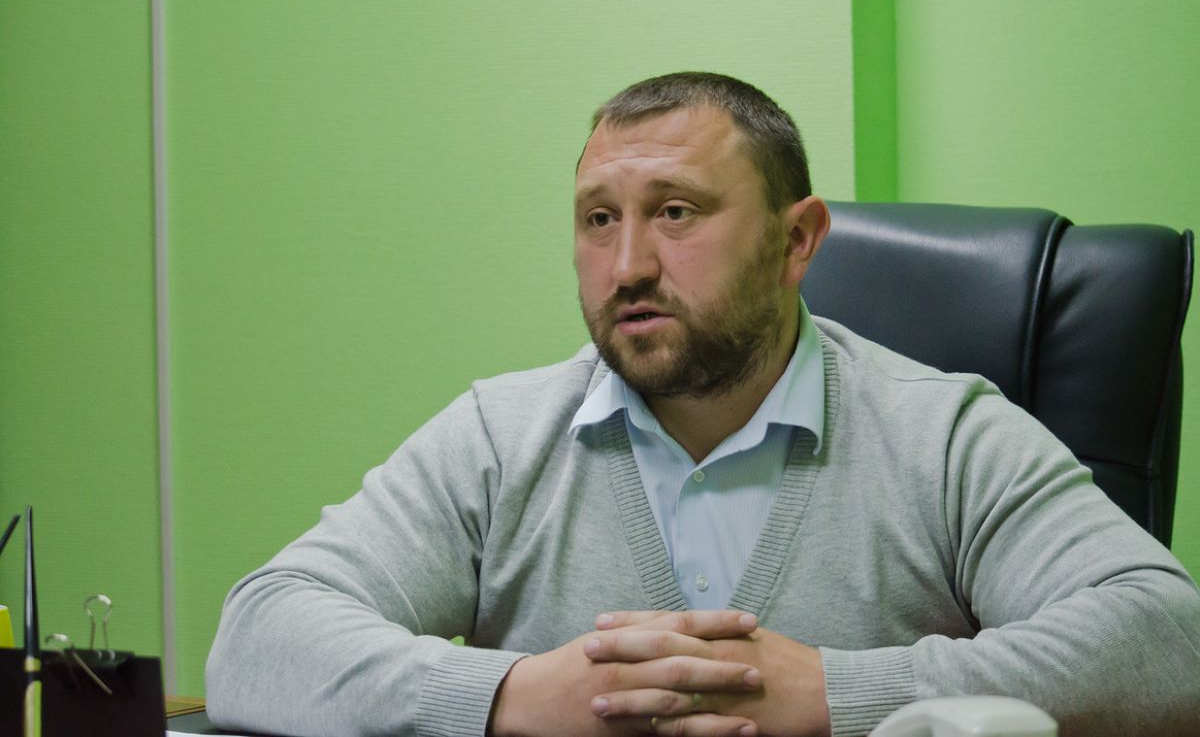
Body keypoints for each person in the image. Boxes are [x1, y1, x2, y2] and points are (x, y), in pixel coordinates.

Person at [206, 73, 1200, 737]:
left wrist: (835, 693)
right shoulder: (499, 440)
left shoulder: (942, 436)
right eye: (600, 219)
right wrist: (512, 693)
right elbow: (261, 636)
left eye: (675, 212)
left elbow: (1169, 641)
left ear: (796, 240)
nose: (627, 265)